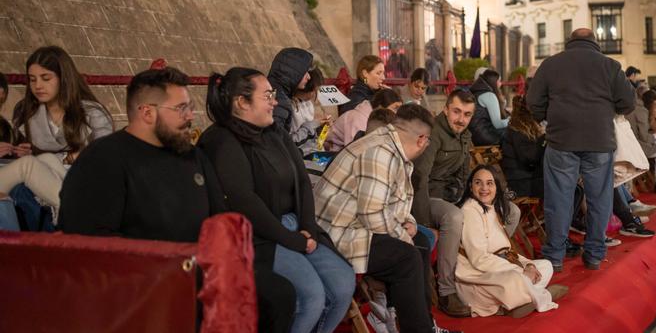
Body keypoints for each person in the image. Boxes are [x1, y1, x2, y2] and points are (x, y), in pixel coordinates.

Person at [58, 66, 296, 333]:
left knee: (279, 295)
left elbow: (220, 218)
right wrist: (171, 264)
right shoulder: (103, 160)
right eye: (181, 109)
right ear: (147, 112)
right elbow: (88, 245)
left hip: (201, 270)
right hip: (144, 279)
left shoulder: (192, 157)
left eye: (190, 107)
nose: (190, 116)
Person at [198, 67, 355, 333]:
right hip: (259, 235)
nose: (275, 101)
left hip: (296, 225)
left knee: (342, 283)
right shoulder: (221, 141)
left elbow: (302, 181)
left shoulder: (275, 132)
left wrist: (307, 227)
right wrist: (290, 238)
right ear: (241, 102)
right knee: (310, 296)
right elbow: (243, 200)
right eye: (267, 95)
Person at [314, 104, 460, 333]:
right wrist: (403, 235)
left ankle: (425, 325)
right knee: (408, 256)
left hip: (354, 224)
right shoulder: (381, 152)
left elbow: (393, 201)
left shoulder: (390, 145)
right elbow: (372, 213)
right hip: (336, 234)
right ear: (422, 139)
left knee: (419, 243)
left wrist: (409, 224)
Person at [527, 28, 635, 272]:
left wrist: (550, 118)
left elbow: (533, 101)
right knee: (599, 199)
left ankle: (555, 256)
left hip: (561, 140)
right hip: (599, 141)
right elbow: (628, 102)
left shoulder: (551, 64)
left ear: (569, 42)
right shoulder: (610, 66)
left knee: (558, 199)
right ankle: (595, 254)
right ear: (594, 43)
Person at [410, 89, 521, 317]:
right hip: (429, 198)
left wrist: (478, 196)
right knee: (455, 216)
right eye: (457, 112)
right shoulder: (433, 134)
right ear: (446, 109)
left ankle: (489, 257)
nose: (461, 119)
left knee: (511, 211)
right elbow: (419, 180)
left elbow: (463, 174)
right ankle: (446, 291)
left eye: (467, 114)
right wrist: (422, 226)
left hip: (455, 195)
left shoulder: (465, 134)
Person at [0, 46, 112, 211]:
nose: (38, 86)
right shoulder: (26, 112)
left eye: (46, 78)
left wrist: (64, 158)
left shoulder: (91, 113)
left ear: (63, 78)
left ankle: (78, 211)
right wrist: (65, 156)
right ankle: (79, 212)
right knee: (33, 165)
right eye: (32, 79)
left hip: (79, 178)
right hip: (39, 180)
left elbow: (105, 156)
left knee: (46, 160)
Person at [455, 164, 567, 318]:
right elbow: (479, 259)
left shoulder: (491, 207)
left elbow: (507, 252)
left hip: (501, 265)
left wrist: (528, 265)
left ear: (496, 186)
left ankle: (524, 298)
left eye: (489, 183)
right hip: (478, 276)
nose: (484, 188)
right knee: (515, 279)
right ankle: (540, 296)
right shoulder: (469, 211)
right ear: (470, 186)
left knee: (545, 266)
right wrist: (521, 271)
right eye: (478, 182)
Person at [323, 89, 402, 152]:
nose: (397, 113)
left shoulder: (374, 117)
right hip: (330, 153)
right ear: (380, 107)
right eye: (395, 108)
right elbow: (354, 149)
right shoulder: (358, 119)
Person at [501, 95, 545, 198]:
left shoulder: (520, 127)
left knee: (567, 183)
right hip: (521, 183)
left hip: (525, 179)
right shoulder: (518, 130)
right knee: (565, 186)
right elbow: (530, 159)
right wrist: (544, 139)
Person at [469, 69, 508, 146]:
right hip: (485, 136)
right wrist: (511, 120)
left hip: (475, 135)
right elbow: (498, 124)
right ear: (494, 82)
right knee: (517, 134)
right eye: (499, 81)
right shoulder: (489, 95)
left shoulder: (477, 91)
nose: (501, 84)